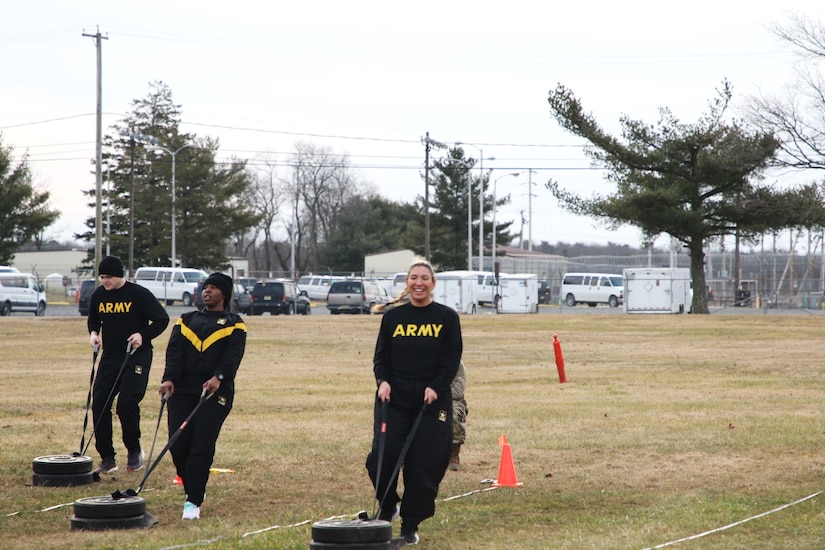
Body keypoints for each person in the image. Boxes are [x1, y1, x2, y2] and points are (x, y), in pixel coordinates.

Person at [366, 261, 463, 546]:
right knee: (381, 458)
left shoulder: (446, 317)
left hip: (432, 401)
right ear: (407, 283)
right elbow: (381, 358)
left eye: (424, 278)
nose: (418, 282)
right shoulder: (393, 318)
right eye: (413, 278)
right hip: (393, 399)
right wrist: (382, 381)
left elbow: (451, 361)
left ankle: (410, 524)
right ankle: (387, 505)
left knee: (423, 464)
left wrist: (436, 386)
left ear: (433, 284)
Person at [159, 273, 247, 520]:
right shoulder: (186, 320)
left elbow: (232, 357)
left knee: (201, 446)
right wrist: (168, 379)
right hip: (183, 390)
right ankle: (193, 488)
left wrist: (218, 377)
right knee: (178, 444)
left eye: (213, 288)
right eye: (205, 287)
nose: (207, 291)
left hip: (215, 392)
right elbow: (174, 353)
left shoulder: (234, 324)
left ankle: (193, 501)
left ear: (224, 295)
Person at [87, 255, 170, 474]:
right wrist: (94, 334)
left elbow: (162, 319)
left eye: (109, 277)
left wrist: (143, 335)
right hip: (111, 356)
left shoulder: (138, 294)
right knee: (100, 404)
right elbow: (94, 319)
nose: (105, 281)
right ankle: (107, 457)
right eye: (102, 277)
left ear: (120, 275)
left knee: (126, 403)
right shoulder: (99, 295)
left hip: (137, 355)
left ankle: (134, 451)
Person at [448, 360, 468, 471]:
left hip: (451, 399)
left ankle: (453, 456)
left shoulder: (456, 363)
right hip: (425, 399)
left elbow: (458, 390)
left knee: (452, 415)